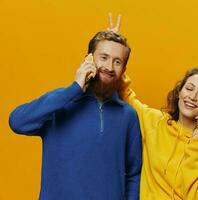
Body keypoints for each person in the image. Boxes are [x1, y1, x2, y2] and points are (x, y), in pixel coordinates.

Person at [8, 17, 142, 200]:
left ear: (124, 69)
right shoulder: (60, 104)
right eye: (104, 57)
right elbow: (17, 122)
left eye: (117, 62)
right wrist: (74, 89)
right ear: (88, 59)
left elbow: (133, 173)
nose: (109, 67)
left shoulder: (128, 116)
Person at [119, 67, 198, 200]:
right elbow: (125, 93)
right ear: (179, 91)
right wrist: (98, 58)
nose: (192, 97)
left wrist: (196, 141)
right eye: (189, 88)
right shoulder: (155, 122)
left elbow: (197, 197)